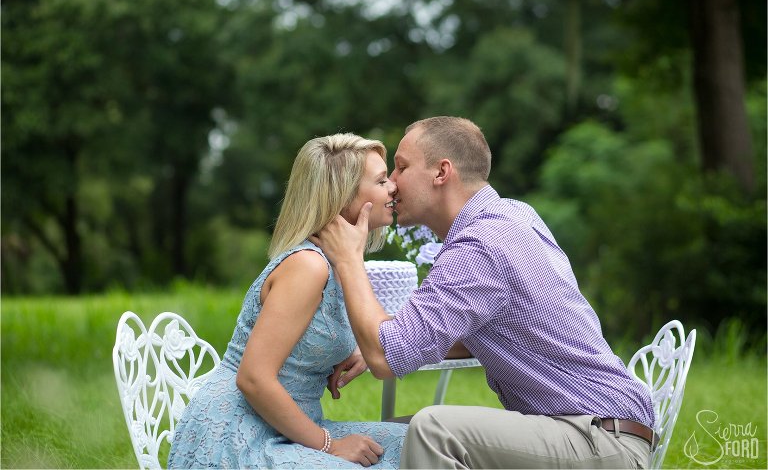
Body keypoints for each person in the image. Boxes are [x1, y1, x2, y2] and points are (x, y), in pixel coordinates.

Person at [311, 116, 656, 469]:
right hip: (604, 429)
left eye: (401, 168)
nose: (393, 184)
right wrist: (379, 346)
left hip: (600, 441)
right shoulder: (515, 215)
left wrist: (349, 258)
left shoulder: (478, 247)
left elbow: (386, 358)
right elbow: (488, 330)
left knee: (434, 430)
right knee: (394, 434)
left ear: (441, 172)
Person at [168, 133, 407, 469]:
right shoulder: (307, 266)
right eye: (382, 180)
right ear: (343, 195)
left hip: (284, 429)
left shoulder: (339, 262)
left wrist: (355, 351)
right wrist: (330, 446)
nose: (394, 187)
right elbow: (253, 378)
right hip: (240, 435)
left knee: (413, 445)